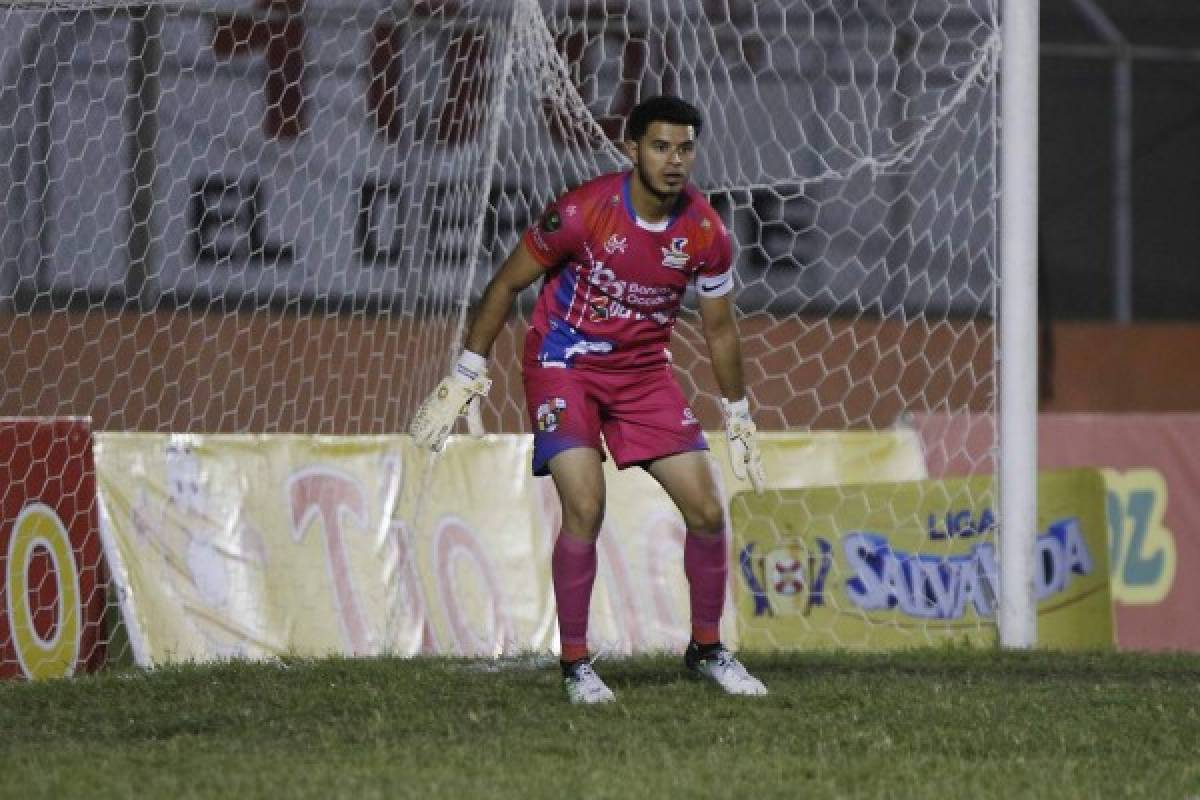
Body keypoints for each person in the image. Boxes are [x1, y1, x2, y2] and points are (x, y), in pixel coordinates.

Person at [410, 95, 768, 704]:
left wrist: (737, 413)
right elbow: (507, 282)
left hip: (643, 376)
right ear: (633, 149)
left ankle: (706, 648)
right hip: (564, 365)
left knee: (707, 511)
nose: (674, 160)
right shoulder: (583, 211)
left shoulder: (706, 232)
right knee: (586, 505)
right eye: (660, 147)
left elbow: (721, 329)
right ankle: (576, 664)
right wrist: (467, 371)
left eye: (685, 148)